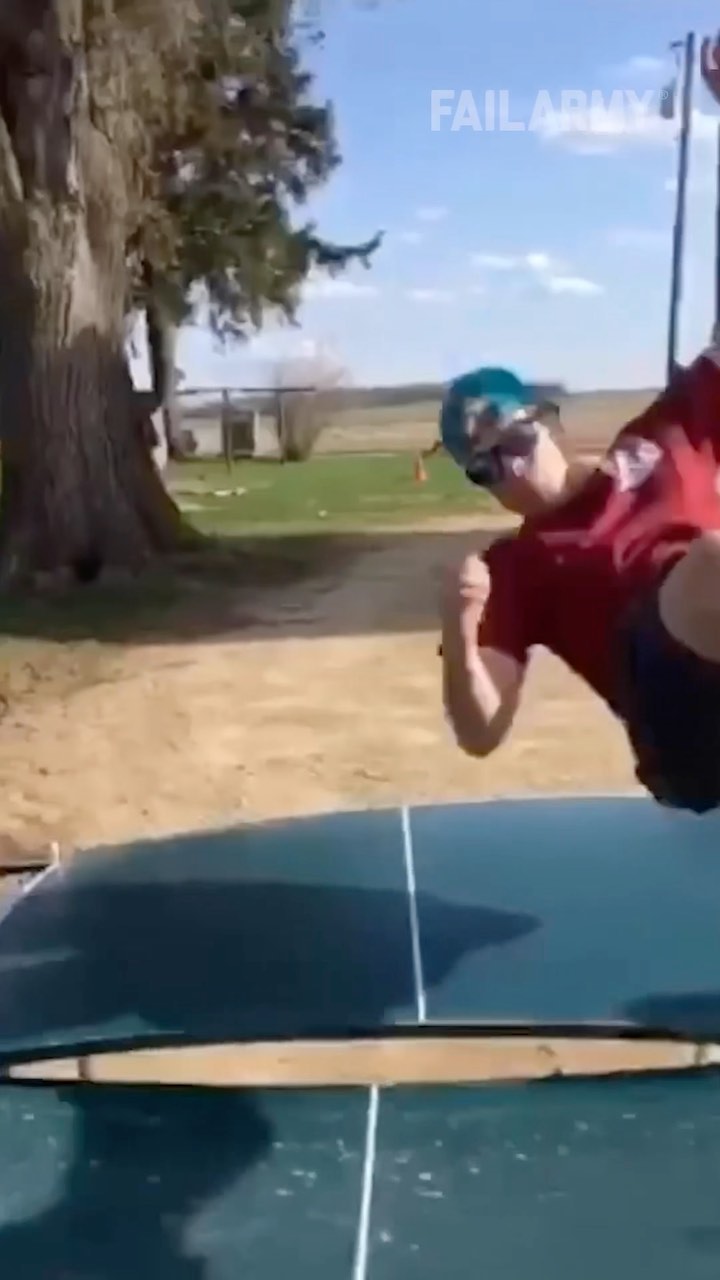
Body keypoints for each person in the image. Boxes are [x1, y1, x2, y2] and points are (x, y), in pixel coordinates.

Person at [439, 353, 720, 813]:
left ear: (545, 422)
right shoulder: (513, 567)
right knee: (710, 563)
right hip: (681, 726)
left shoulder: (661, 438)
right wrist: (459, 634)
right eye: (486, 469)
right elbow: (480, 733)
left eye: (516, 442)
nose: (513, 473)